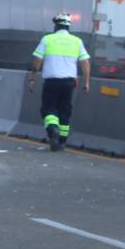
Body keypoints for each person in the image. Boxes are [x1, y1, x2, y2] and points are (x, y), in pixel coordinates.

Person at [28, 12, 91, 151]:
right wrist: (86, 82)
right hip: (69, 83)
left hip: (51, 81)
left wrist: (32, 77)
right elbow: (85, 63)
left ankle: (53, 131)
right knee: (65, 109)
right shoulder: (77, 41)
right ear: (68, 26)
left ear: (56, 25)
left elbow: (37, 61)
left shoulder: (47, 39)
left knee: (48, 108)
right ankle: (62, 141)